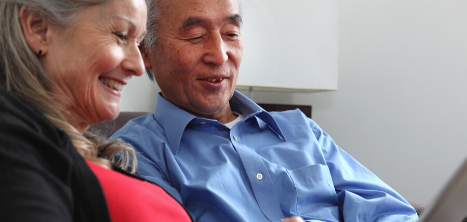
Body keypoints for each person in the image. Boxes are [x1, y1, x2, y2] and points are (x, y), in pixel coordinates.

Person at [110, 0, 419, 221]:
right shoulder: (135, 153)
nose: (220, 55)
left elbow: (393, 212)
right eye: (195, 36)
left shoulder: (300, 129)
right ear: (145, 51)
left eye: (231, 33)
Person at [0, 0, 192, 221]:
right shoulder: (11, 139)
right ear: (39, 28)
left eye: (138, 44)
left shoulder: (78, 148)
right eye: (120, 35)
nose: (139, 67)